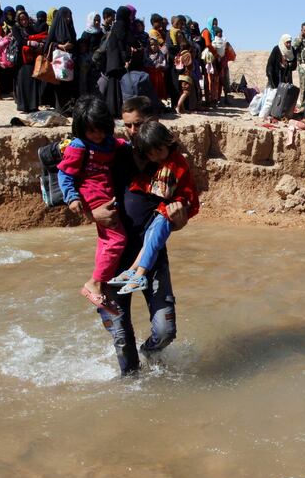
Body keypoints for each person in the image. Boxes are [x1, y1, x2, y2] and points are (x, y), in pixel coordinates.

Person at [90, 96, 188, 374]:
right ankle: (130, 384)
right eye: (129, 126)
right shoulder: (115, 155)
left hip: (153, 257)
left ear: (153, 123)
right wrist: (91, 214)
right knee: (122, 338)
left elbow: (181, 210)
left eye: (139, 125)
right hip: (115, 257)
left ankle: (149, 352)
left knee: (165, 330)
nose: (133, 132)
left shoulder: (167, 159)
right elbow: (85, 186)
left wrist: (180, 220)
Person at [107, 120, 199, 294]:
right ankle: (133, 269)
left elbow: (165, 191)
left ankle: (140, 274)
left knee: (154, 236)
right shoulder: (165, 162)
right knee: (151, 238)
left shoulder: (175, 163)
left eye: (159, 150)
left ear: (168, 143)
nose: (156, 156)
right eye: (151, 154)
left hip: (176, 206)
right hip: (167, 208)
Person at [56, 95, 129, 314]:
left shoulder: (107, 142)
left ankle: (102, 283)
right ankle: (94, 283)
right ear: (81, 128)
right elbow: (64, 174)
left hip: (105, 193)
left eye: (100, 129)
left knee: (105, 240)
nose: (96, 135)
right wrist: (72, 198)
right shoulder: (78, 146)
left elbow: (119, 144)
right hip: (92, 196)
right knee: (118, 239)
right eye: (91, 131)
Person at [11, 11, 47, 113]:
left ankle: (33, 105)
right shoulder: (16, 28)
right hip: (22, 60)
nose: (24, 21)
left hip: (31, 59)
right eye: (22, 19)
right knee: (23, 82)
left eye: (25, 19)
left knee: (33, 82)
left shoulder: (31, 28)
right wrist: (31, 42)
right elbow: (19, 41)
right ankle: (24, 106)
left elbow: (38, 35)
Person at [43, 7, 77, 113]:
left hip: (69, 63)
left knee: (69, 86)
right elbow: (49, 44)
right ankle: (60, 109)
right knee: (59, 87)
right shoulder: (55, 28)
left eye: (69, 16)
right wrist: (61, 46)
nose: (68, 19)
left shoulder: (71, 29)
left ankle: (68, 109)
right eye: (66, 16)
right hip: (58, 64)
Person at [104, 6, 134, 118]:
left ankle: (113, 110)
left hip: (112, 60)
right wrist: (125, 58)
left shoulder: (116, 25)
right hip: (117, 60)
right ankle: (116, 110)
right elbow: (123, 42)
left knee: (113, 86)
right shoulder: (122, 26)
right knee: (118, 85)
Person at [259, 34, 296, 119]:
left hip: (285, 79)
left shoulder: (292, 51)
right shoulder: (277, 49)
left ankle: (279, 116)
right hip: (275, 78)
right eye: (287, 42)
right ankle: (262, 117)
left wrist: (288, 65)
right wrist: (271, 80)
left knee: (284, 100)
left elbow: (294, 66)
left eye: (290, 42)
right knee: (270, 99)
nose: (289, 44)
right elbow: (270, 65)